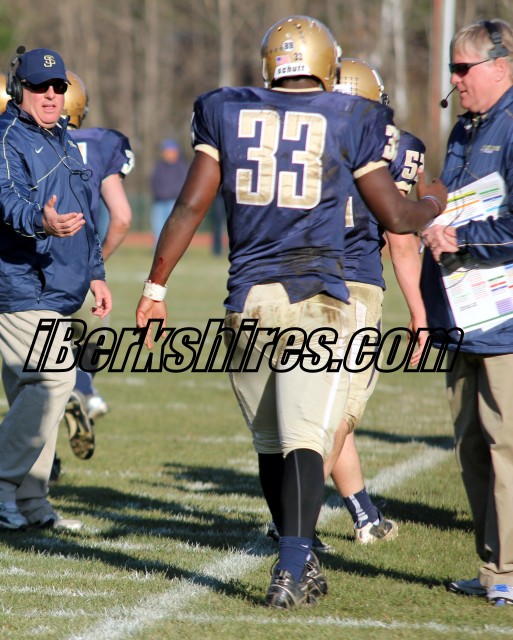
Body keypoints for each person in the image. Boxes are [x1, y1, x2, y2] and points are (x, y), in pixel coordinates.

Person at [135, 15, 446, 609]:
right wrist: (432, 200)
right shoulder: (352, 115)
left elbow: (190, 205)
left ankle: (297, 554)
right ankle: (293, 567)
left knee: (272, 441)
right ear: (328, 65)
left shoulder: (226, 109)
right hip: (316, 297)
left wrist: (155, 288)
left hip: (248, 300)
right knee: (305, 438)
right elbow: (396, 217)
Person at [419, 19, 513, 606]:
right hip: (462, 313)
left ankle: (510, 569)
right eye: (452, 69)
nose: (453, 80)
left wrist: (462, 238)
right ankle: (491, 567)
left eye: (462, 69)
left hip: (506, 319)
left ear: (501, 67)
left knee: (506, 446)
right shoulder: (462, 128)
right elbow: (449, 204)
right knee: (472, 446)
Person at [0, 47, 111, 530]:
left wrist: (96, 273)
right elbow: (6, 202)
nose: (50, 95)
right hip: (21, 284)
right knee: (53, 382)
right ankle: (3, 486)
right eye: (38, 86)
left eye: (58, 87)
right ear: (18, 89)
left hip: (59, 288)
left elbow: (84, 215)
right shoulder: (6, 137)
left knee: (36, 397)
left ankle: (31, 502)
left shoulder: (62, 138)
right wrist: (39, 221)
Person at [47, 71, 134, 477]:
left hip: (34, 275)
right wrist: (97, 264)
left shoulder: (21, 140)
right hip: (81, 275)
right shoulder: (101, 144)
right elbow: (123, 217)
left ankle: (44, 462)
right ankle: (83, 389)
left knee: (37, 375)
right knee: (87, 347)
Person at [149, 138, 188, 245]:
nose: (167, 154)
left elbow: (184, 185)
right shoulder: (159, 166)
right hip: (158, 202)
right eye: (165, 151)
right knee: (157, 228)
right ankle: (157, 249)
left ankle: (174, 249)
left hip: (174, 202)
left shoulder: (181, 167)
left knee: (174, 229)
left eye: (170, 151)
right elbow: (153, 182)